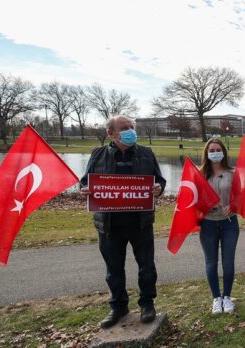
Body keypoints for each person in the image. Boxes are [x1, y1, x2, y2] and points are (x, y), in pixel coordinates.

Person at [79, 115, 166, 328]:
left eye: (132, 127)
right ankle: (118, 306)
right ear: (111, 133)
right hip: (109, 225)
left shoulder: (146, 153)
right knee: (113, 269)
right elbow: (84, 181)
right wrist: (84, 190)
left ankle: (147, 304)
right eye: (125, 127)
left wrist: (159, 189)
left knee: (147, 267)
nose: (131, 130)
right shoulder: (98, 154)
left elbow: (160, 180)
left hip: (140, 222)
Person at [198, 139, 239, 314]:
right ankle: (216, 298)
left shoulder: (233, 172)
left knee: (228, 262)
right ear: (207, 153)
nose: (215, 152)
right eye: (212, 150)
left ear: (224, 152)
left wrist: (234, 205)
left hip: (229, 223)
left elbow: (241, 196)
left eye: (218, 149)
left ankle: (227, 297)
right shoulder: (199, 174)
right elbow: (191, 198)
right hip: (207, 224)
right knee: (211, 262)